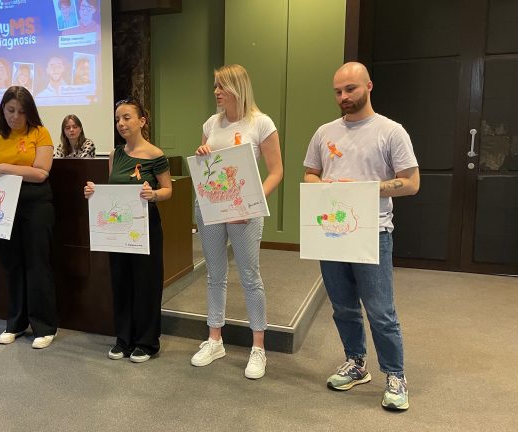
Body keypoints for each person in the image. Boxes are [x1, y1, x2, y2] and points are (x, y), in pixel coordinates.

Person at [303, 62, 419, 411]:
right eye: (338, 91)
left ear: (368, 86)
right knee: (342, 306)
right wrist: (323, 186)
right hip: (331, 232)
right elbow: (310, 173)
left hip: (374, 232)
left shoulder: (390, 131)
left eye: (350, 89)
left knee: (380, 310)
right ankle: (356, 363)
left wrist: (366, 189)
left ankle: (395, 375)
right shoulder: (324, 133)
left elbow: (411, 183)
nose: (343, 96)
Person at [189, 64, 283, 379]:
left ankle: (258, 347)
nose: (216, 91)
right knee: (214, 274)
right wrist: (202, 153)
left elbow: (276, 172)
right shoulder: (211, 124)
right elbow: (206, 167)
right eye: (215, 85)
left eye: (222, 86)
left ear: (238, 88)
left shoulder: (261, 123)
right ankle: (215, 339)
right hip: (210, 208)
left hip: (245, 213)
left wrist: (252, 203)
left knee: (249, 276)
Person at [83, 98, 172, 363]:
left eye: (126, 117)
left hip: (145, 226)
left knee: (146, 283)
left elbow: (168, 190)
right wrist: (94, 192)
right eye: (117, 119)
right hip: (119, 228)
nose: (121, 123)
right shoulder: (116, 154)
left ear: (142, 121)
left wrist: (153, 194)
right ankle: (124, 339)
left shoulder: (155, 155)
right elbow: (114, 189)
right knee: (121, 282)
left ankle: (146, 341)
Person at [0, 86, 58, 349]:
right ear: (2, 109)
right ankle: (16, 323)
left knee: (37, 264)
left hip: (36, 203)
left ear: (29, 112)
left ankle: (44, 326)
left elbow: (41, 172)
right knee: (12, 264)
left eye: (21, 111)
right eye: (10, 110)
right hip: (5, 204)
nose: (15, 116)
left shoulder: (40, 132)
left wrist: (3, 167)